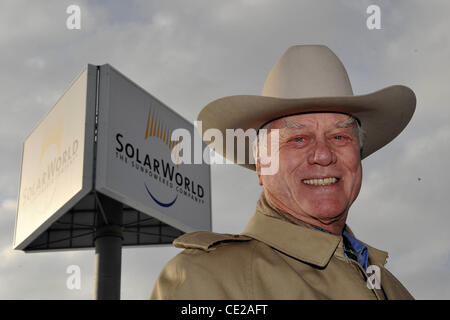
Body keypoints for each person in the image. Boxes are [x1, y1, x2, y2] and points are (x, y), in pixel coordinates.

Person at [150, 45, 416, 299]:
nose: (323, 155)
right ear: (262, 163)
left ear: (358, 154)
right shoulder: (205, 279)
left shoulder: (393, 289)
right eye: (298, 139)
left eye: (339, 137)